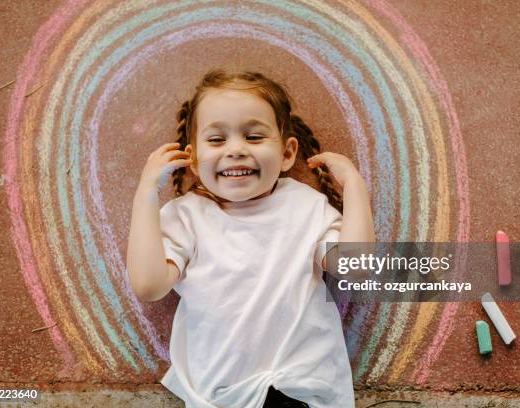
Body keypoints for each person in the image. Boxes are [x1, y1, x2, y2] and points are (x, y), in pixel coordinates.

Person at [126, 69, 375, 407]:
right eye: (216, 140)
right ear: (194, 160)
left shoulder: (306, 207)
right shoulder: (187, 216)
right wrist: (145, 194)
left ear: (287, 153)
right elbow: (149, 286)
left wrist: (355, 190)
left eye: (254, 137)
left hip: (301, 389)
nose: (236, 150)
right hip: (222, 394)